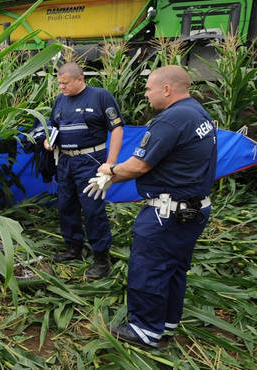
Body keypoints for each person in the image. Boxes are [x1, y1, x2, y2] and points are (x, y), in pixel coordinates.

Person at [87, 65, 217, 349]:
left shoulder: (171, 120)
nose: (145, 94)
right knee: (174, 269)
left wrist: (110, 170)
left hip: (166, 213)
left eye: (148, 88)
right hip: (191, 209)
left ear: (167, 89)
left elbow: (138, 165)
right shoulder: (197, 112)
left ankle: (144, 330)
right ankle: (166, 323)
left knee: (149, 268)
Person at [44, 62, 124, 279]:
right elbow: (54, 127)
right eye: (59, 83)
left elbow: (117, 129)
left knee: (92, 208)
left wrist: (111, 164)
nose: (61, 87)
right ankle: (73, 248)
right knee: (66, 205)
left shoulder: (100, 96)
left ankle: (100, 259)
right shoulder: (59, 101)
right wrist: (48, 141)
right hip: (66, 162)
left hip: (91, 160)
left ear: (80, 79)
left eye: (65, 83)